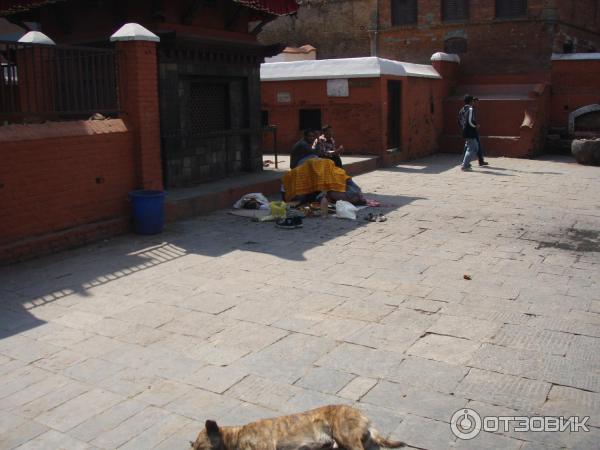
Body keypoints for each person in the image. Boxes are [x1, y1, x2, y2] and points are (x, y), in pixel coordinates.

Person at [458, 94, 481, 171]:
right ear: (471, 101)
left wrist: (463, 128)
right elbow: (470, 121)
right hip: (470, 131)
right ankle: (465, 165)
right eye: (473, 101)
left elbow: (459, 121)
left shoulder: (461, 109)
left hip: (464, 130)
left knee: (470, 147)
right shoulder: (470, 109)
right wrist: (475, 126)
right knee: (473, 148)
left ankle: (465, 163)